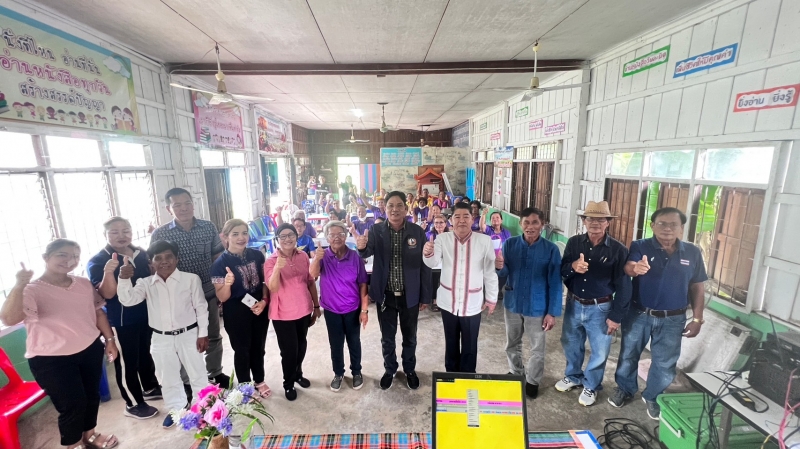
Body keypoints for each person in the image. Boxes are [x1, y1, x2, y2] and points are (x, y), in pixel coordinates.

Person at [0, 240, 120, 449]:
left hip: (90, 349)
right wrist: (19, 285)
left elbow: (98, 312)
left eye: (75, 256)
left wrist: (110, 340)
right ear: (46, 257)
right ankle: (74, 445)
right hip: (51, 359)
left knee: (91, 396)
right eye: (62, 255)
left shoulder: (82, 283)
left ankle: (90, 435)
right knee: (72, 405)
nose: (69, 261)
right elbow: (9, 319)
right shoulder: (31, 289)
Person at [609, 207, 707, 420]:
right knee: (628, 355)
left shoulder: (692, 252)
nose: (667, 228)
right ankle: (625, 389)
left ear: (681, 228)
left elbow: (697, 287)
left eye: (673, 224)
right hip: (639, 314)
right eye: (662, 223)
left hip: (673, 319)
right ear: (652, 226)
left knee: (665, 363)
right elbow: (629, 266)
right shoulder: (640, 246)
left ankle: (652, 396)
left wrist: (698, 319)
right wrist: (636, 269)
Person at [116, 240, 210, 429]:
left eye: (169, 257)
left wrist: (203, 333)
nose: (164, 261)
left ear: (177, 259)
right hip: (161, 337)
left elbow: (201, 307)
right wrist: (123, 279)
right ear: (151, 262)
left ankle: (203, 409)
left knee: (197, 373)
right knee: (167, 376)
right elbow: (128, 300)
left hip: (189, 334)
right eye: (158, 258)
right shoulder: (146, 283)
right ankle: (177, 410)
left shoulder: (190, 279)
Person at [150, 188, 228, 387]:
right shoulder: (160, 234)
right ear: (169, 209)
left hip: (207, 292)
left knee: (212, 335)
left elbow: (218, 258)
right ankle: (187, 381)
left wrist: (220, 289)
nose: (183, 208)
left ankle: (215, 372)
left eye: (187, 203)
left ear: (193, 204)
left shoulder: (208, 227)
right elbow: (155, 265)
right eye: (177, 205)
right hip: (178, 298)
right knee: (183, 340)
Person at [557, 201, 631, 407]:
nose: (595, 223)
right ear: (584, 221)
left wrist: (616, 316)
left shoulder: (618, 250)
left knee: (600, 350)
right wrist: (573, 266)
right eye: (591, 218)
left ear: (608, 222)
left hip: (601, 307)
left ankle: (591, 385)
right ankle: (573, 376)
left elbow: (624, 286)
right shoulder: (574, 243)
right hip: (573, 303)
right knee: (571, 343)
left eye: (601, 219)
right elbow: (562, 271)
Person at [356, 191, 432, 390]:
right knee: (387, 338)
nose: (394, 209)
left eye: (399, 206)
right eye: (390, 205)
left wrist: (425, 295)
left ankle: (409, 370)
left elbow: (425, 265)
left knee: (410, 337)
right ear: (385, 208)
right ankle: (390, 369)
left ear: (406, 209)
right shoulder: (376, 230)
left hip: (410, 296)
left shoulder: (417, 232)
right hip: (386, 296)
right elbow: (367, 252)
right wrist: (361, 247)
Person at [87, 217, 160, 420]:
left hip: (145, 315)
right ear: (105, 235)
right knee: (127, 363)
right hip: (120, 321)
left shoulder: (141, 253)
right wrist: (113, 273)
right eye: (114, 232)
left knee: (145, 354)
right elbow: (106, 294)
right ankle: (133, 404)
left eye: (126, 231)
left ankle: (149, 387)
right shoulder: (98, 261)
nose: (121, 236)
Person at [495, 207, 562, 399]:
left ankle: (533, 380)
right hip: (513, 302)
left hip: (537, 306)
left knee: (537, 347)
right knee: (512, 343)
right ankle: (516, 372)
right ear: (520, 224)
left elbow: (555, 282)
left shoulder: (551, 249)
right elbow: (504, 272)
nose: (530, 227)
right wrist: (499, 266)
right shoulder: (510, 244)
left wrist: (552, 312)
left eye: (535, 222)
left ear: (542, 224)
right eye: (526, 222)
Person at [423, 203, 498, 373]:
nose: (462, 220)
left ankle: (468, 376)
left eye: (466, 216)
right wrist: (427, 252)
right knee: (451, 342)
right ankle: (451, 376)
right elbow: (432, 263)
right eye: (457, 217)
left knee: (470, 345)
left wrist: (491, 298)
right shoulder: (442, 239)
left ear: (472, 219)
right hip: (448, 302)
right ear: (451, 220)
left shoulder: (484, 241)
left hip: (473, 303)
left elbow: (490, 272)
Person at [211, 219, 272, 399]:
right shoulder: (219, 264)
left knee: (258, 347)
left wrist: (264, 301)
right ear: (225, 237)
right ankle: (245, 386)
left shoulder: (257, 255)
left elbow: (265, 282)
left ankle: (259, 380)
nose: (241, 238)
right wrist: (227, 284)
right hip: (236, 311)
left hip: (259, 307)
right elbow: (222, 297)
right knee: (242, 350)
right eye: (235, 234)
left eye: (244, 233)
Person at [310, 221, 369, 392]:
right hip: (331, 310)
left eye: (340, 234)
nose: (336, 238)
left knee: (354, 342)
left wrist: (364, 310)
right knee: (335, 344)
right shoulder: (323, 256)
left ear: (346, 236)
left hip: (352, 309)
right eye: (332, 235)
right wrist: (317, 258)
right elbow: (312, 275)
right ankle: (338, 373)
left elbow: (363, 284)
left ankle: (356, 372)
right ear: (327, 237)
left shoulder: (355, 257)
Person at [265, 223, 322, 401]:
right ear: (277, 240)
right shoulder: (271, 261)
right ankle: (288, 383)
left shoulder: (303, 256)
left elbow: (310, 282)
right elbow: (273, 287)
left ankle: (298, 374)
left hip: (303, 309)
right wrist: (277, 268)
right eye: (283, 236)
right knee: (289, 351)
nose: (287, 239)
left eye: (291, 235)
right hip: (283, 314)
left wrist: (316, 306)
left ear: (296, 237)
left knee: (301, 345)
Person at [481, 211, 512, 300]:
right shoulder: (488, 230)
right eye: (493, 218)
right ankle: (486, 289)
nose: (495, 219)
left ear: (501, 220)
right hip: (488, 258)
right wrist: (483, 214)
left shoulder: (506, 233)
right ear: (490, 221)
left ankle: (498, 289)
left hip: (501, 258)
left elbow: (509, 247)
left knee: (504, 272)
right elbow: (482, 226)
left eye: (497, 217)